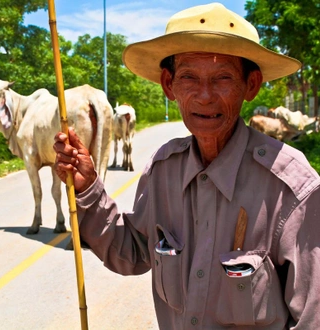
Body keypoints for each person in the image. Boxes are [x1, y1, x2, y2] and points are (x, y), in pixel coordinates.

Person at [53, 2, 320, 329]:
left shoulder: (292, 189)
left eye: (223, 78)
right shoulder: (164, 170)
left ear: (251, 86)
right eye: (189, 78)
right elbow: (134, 252)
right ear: (169, 85)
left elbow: (311, 319)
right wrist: (88, 187)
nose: (204, 96)